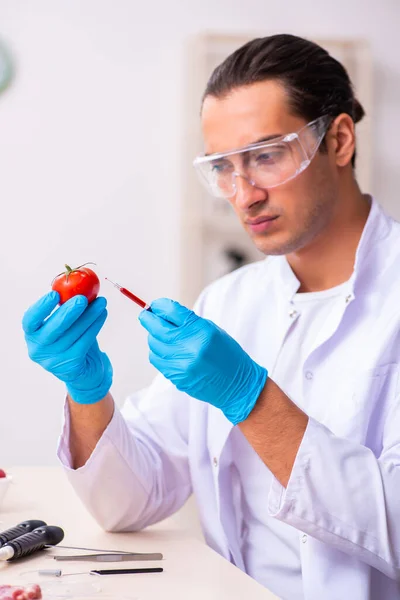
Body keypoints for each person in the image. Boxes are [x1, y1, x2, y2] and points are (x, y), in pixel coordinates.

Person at [22, 34, 400, 600]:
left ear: (339, 140)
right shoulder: (228, 302)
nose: (242, 194)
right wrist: (85, 390)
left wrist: (252, 399)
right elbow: (131, 500)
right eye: (223, 166)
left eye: (266, 156)